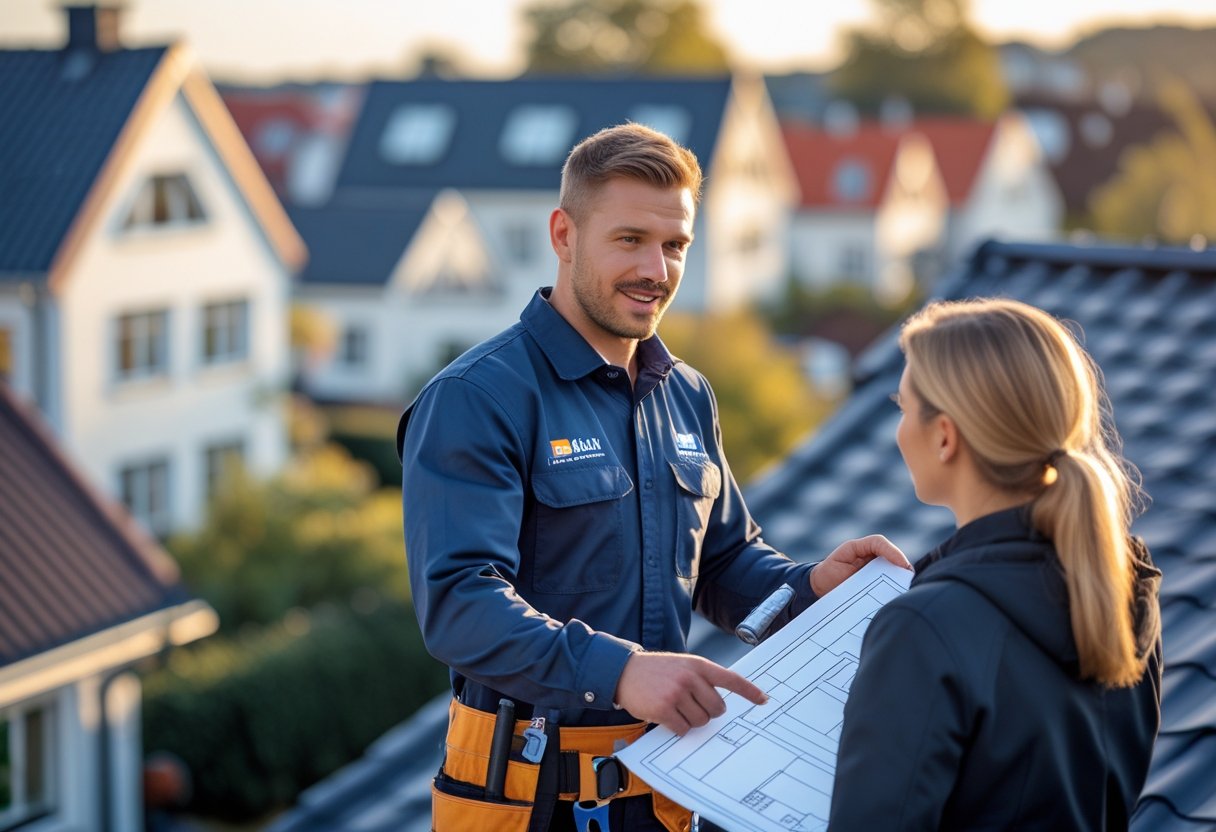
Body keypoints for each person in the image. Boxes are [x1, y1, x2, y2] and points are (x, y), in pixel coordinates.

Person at [398, 123, 909, 832]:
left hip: (667, 790)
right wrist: (620, 671)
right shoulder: (478, 398)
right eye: (630, 239)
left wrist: (810, 588)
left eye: (675, 246)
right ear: (563, 234)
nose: (658, 270)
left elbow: (724, 563)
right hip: (528, 801)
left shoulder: (686, 392)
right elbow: (458, 603)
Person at [829, 298, 1163, 830]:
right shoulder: (1123, 591)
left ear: (944, 437)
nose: (898, 428)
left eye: (903, 407)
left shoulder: (922, 628)